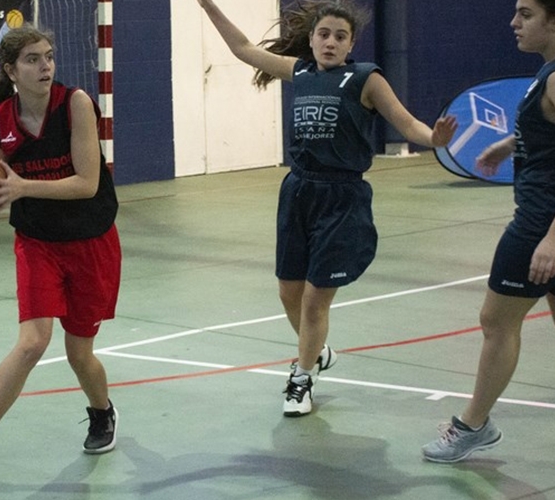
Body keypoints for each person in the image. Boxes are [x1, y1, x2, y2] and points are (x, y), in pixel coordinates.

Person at [196, 0, 457, 417]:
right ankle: (316, 350)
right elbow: (243, 48)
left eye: (340, 36)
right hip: (298, 191)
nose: (330, 42)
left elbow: (406, 124)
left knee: (316, 300)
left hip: (341, 198)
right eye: (324, 34)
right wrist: (208, 5)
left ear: (351, 43)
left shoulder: (366, 79)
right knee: (289, 292)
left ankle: (301, 379)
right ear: (313, 39)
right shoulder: (299, 71)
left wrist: (434, 139)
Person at [0, 25, 122, 490]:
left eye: (49, 57)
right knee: (31, 342)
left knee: (79, 353)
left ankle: (102, 412)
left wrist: (23, 187)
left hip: (90, 239)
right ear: (10, 70)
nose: (45, 66)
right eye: (32, 60)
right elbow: (0, 179)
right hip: (37, 241)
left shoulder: (76, 104)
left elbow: (86, 182)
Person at [422, 0, 555, 467]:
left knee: (497, 322)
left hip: (545, 224)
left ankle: (472, 427)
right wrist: (508, 144)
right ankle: (474, 425)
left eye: (526, 13)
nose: (513, 23)